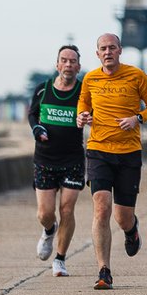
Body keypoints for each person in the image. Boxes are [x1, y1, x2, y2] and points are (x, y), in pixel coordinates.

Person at [76, 33, 147, 289]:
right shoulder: (91, 78)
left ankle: (131, 229)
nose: (108, 52)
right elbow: (83, 102)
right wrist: (82, 116)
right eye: (103, 48)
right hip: (98, 150)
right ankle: (104, 271)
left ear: (120, 50)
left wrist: (137, 118)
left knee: (122, 217)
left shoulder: (136, 76)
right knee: (101, 208)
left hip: (129, 153)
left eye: (112, 47)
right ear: (97, 53)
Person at [28, 45, 86, 277]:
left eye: (73, 61)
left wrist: (87, 118)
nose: (68, 65)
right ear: (57, 64)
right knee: (45, 213)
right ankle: (49, 230)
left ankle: (60, 259)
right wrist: (37, 128)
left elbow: (93, 112)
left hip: (73, 159)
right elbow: (32, 114)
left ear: (78, 66)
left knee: (67, 209)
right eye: (64, 60)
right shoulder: (43, 90)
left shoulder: (84, 92)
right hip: (44, 159)